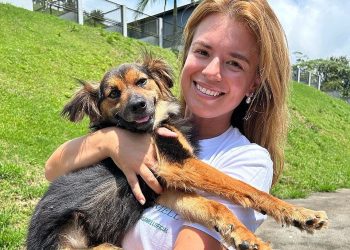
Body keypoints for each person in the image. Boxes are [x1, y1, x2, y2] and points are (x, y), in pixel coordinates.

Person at [45, 0, 291, 249]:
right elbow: (52, 169)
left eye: (234, 63)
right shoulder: (126, 134)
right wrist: (108, 142)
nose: (211, 72)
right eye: (203, 52)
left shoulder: (247, 159)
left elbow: (181, 179)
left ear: (254, 83)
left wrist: (265, 203)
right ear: (185, 57)